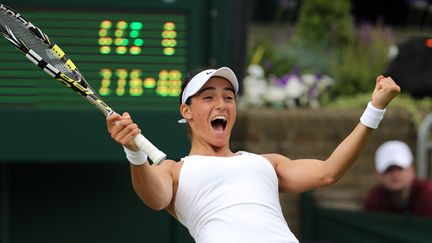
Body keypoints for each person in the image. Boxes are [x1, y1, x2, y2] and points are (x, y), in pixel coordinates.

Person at [106, 67, 400, 243]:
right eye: (208, 97)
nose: (221, 104)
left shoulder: (266, 162)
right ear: (186, 111)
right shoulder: (172, 170)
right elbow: (156, 197)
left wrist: (375, 108)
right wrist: (134, 152)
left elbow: (328, 171)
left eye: (228, 97)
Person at [364, 140, 432, 218]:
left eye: (400, 168)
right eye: (388, 170)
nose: (395, 174)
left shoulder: (428, 195)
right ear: (379, 175)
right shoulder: (375, 199)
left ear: (411, 170)